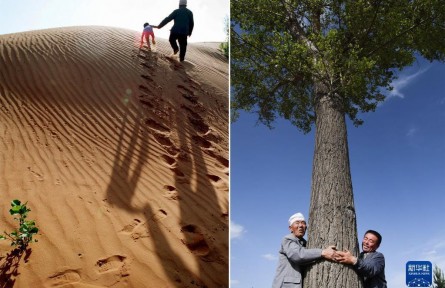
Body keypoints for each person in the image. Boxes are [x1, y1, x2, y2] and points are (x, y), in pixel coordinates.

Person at [272, 212, 337, 288]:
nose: (300, 226)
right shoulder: (288, 239)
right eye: (297, 223)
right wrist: (323, 252)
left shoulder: (305, 244)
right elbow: (298, 255)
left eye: (303, 223)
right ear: (290, 228)